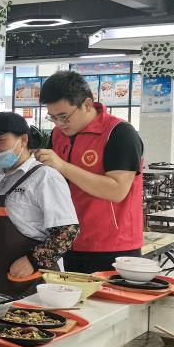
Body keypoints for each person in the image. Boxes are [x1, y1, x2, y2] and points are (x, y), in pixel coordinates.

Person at [35, 70, 144, 274]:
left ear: (86, 104)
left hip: (113, 246)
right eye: (53, 118)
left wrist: (62, 166)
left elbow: (117, 190)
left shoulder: (119, 133)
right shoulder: (59, 135)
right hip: (70, 241)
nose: (59, 124)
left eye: (64, 117)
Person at [0, 112, 80, 299]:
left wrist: (33, 260)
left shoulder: (45, 177)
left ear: (23, 140)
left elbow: (68, 231)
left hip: (34, 281)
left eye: (0, 140)